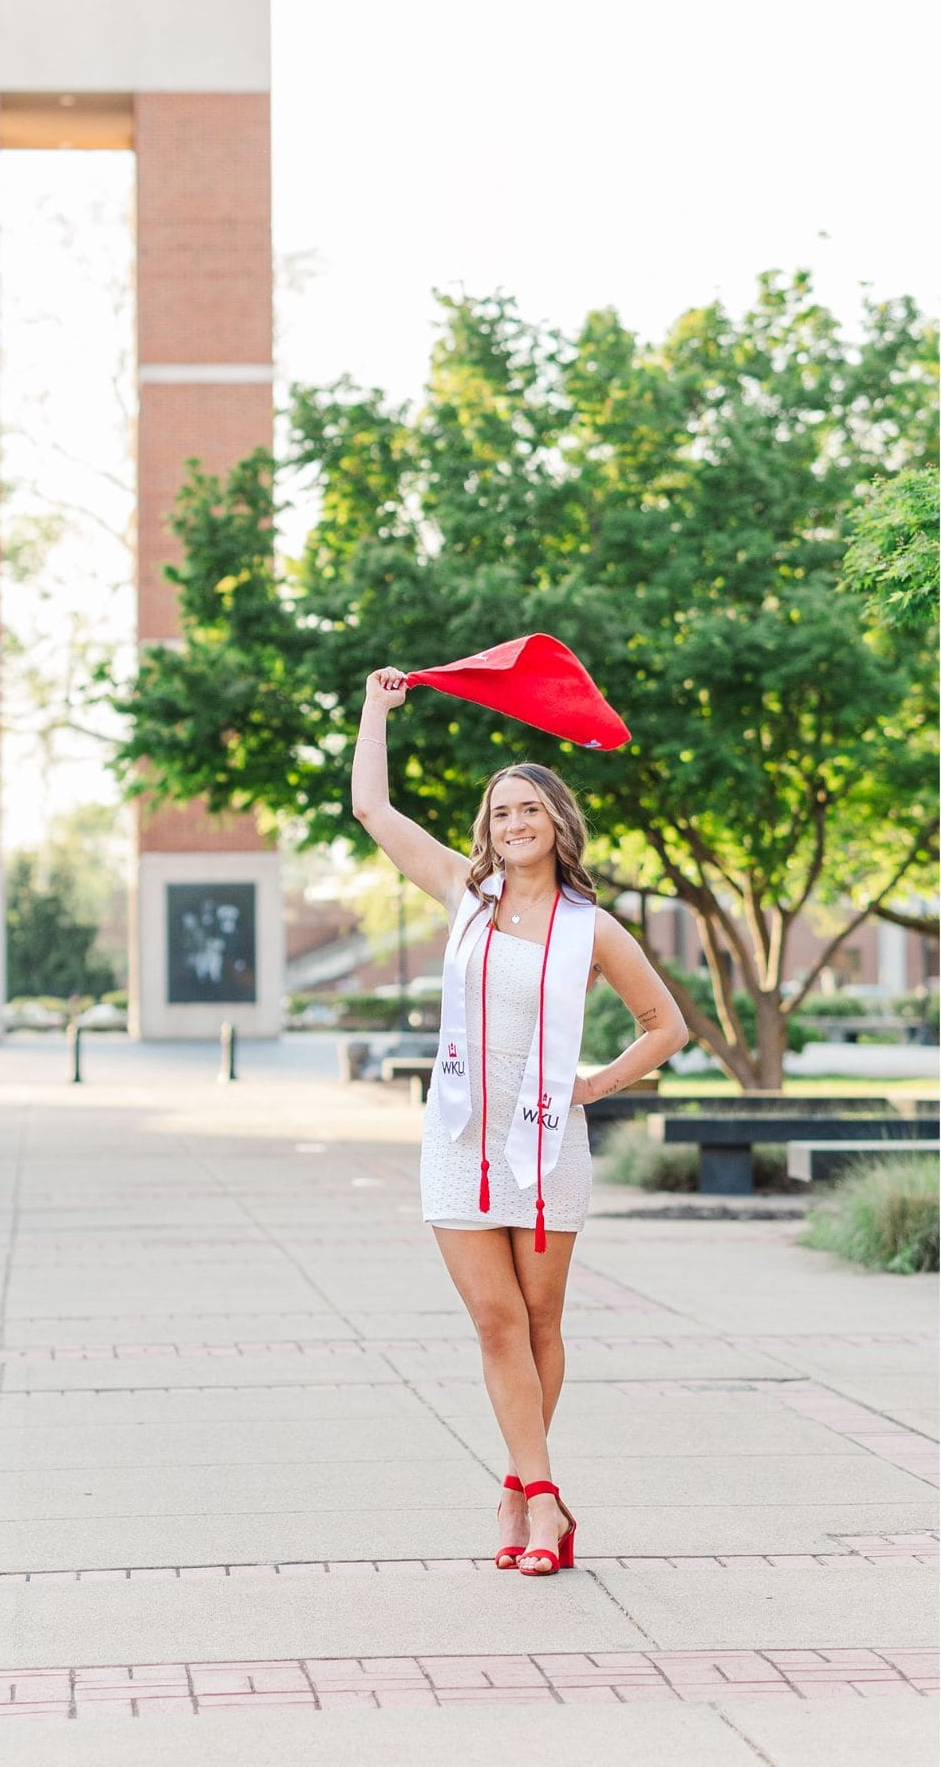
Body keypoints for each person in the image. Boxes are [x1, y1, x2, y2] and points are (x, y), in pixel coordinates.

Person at [352, 666, 689, 1575]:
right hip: (461, 1136)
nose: (514, 825)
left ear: (557, 824)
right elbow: (375, 813)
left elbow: (669, 1027)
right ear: (488, 829)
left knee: (541, 1324)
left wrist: (594, 1086)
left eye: (529, 811)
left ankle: (517, 1485)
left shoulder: (593, 929)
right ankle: (547, 1503)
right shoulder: (466, 899)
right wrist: (377, 713)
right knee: (497, 1323)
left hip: (545, 1140)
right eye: (501, 813)